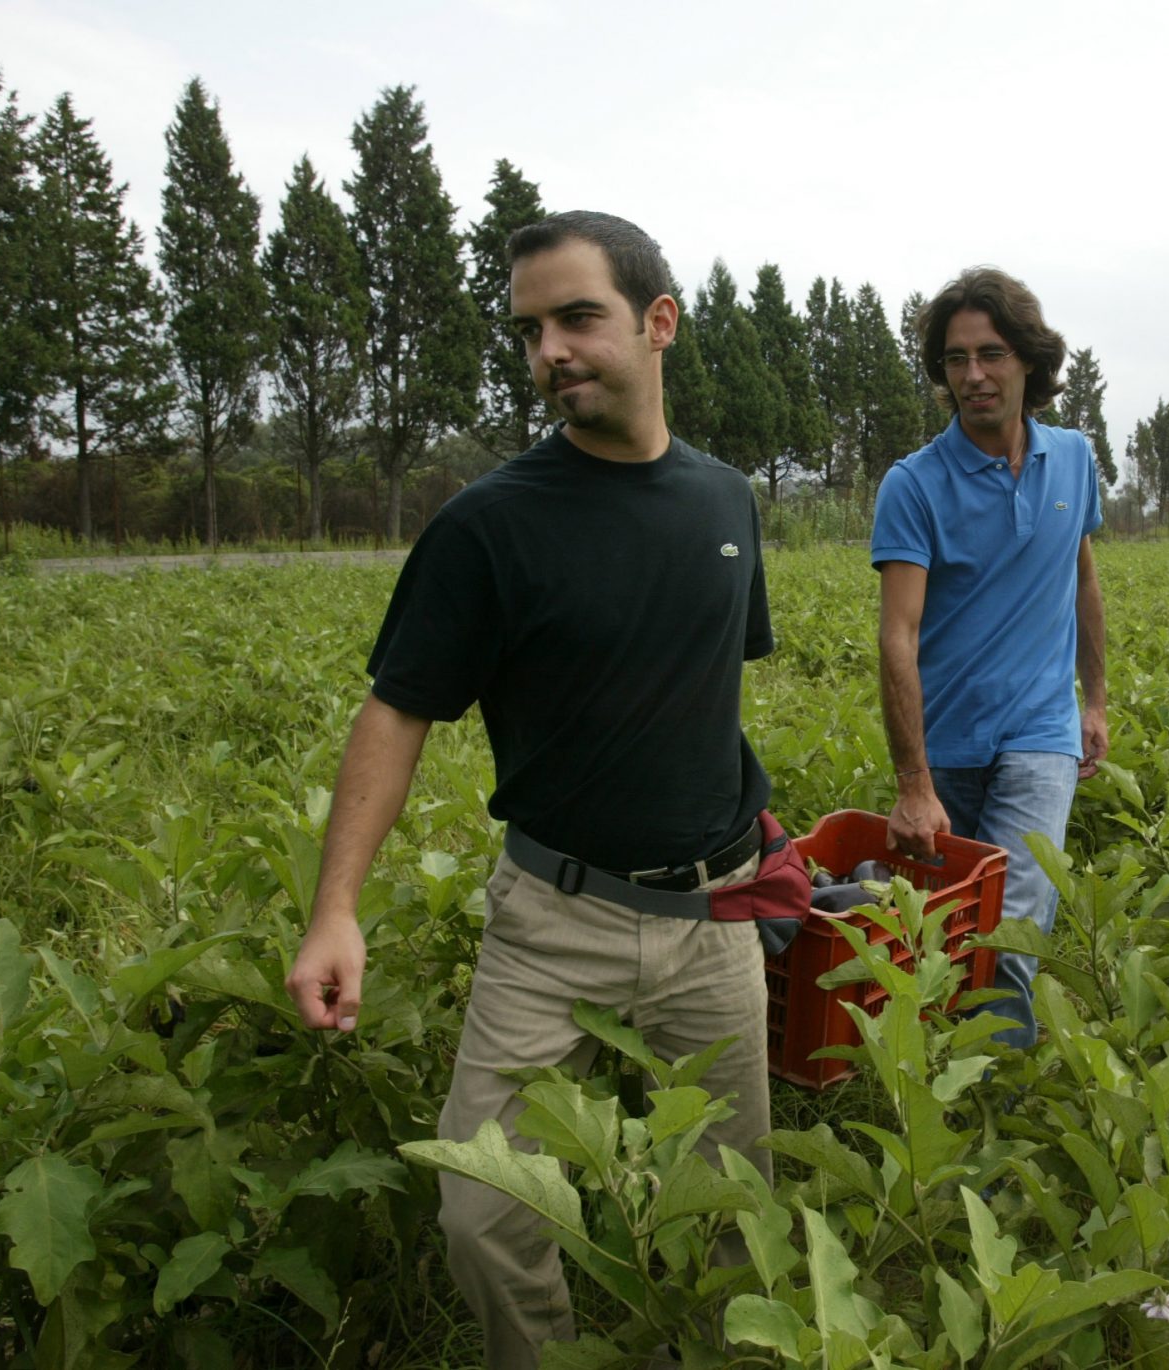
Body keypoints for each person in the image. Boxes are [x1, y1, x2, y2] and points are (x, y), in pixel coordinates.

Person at [283, 210, 776, 1369]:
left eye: (577, 317)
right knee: (487, 1210)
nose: (549, 350)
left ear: (658, 323)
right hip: (553, 922)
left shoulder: (725, 501)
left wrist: (754, 841)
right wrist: (334, 907)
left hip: (713, 920)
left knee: (731, 1211)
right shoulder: (489, 524)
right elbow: (396, 711)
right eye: (528, 329)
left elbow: (705, 687)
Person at [871, 266, 1108, 1051]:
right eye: (955, 359)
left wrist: (1094, 700)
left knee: (1007, 932)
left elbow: (1081, 575)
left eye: (991, 354)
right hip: (946, 741)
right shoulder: (914, 485)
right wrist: (913, 783)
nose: (973, 375)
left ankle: (994, 1100)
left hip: (1041, 732)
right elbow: (898, 635)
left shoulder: (1073, 458)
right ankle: (933, 1082)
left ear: (1030, 361)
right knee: (941, 936)